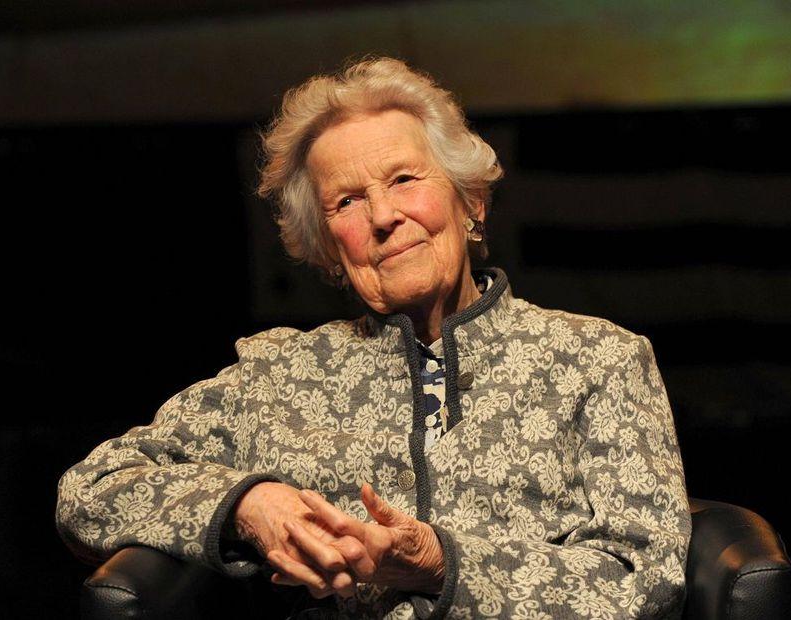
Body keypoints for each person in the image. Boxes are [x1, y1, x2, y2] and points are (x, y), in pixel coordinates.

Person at [56, 57, 691, 619]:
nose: (384, 216)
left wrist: (440, 563)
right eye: (348, 202)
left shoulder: (599, 360)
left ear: (471, 202)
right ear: (329, 250)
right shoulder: (277, 375)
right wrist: (250, 503)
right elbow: (89, 489)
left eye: (405, 180)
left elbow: (646, 580)